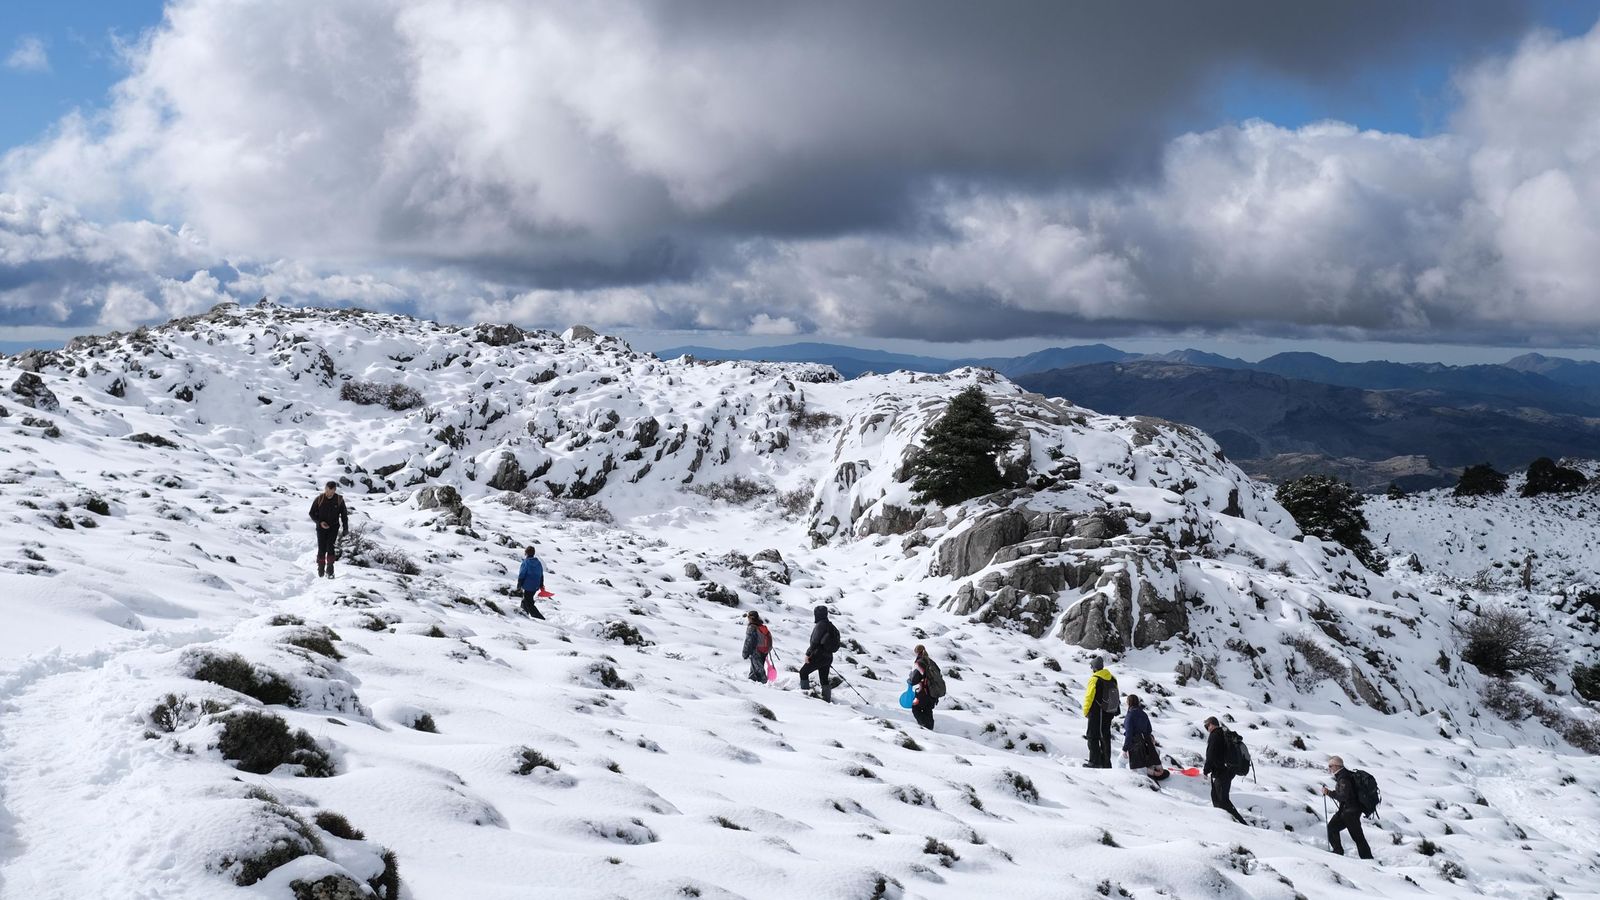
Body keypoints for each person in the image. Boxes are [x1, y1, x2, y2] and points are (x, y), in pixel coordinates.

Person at [1322, 756, 1374, 859]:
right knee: (1332, 828)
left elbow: (1343, 796)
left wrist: (1328, 792)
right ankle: (1338, 852)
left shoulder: (1343, 778)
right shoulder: (1346, 775)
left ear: (1337, 766)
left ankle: (1367, 859)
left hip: (1350, 812)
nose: (1329, 768)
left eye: (1330, 766)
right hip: (1348, 811)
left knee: (1357, 836)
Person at [1203, 716, 1248, 824]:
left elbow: (1211, 754)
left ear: (1212, 724)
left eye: (1207, 726)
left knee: (1221, 799)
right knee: (1217, 796)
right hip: (1228, 770)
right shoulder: (1224, 734)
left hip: (1222, 771)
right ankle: (1226, 821)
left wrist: (1206, 769)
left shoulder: (1215, 735)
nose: (1207, 729)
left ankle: (1239, 824)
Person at [1122, 695, 1169, 782]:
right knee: (1145, 762)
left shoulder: (1130, 715)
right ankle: (1154, 773)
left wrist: (1125, 749)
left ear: (1129, 703)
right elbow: (1149, 729)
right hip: (1146, 742)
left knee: (1123, 763)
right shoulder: (1143, 714)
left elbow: (1129, 733)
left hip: (1134, 743)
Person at [1082, 656, 1118, 768]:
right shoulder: (1112, 678)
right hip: (1108, 711)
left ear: (1094, 668)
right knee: (1105, 736)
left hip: (1096, 712)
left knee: (1092, 736)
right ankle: (1106, 762)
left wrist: (1086, 711)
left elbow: (1089, 696)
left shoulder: (1095, 679)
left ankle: (1094, 762)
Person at [798, 605, 839, 702]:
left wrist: (808, 654)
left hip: (818, 656)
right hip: (828, 657)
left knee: (803, 672)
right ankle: (827, 700)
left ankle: (805, 696)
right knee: (824, 678)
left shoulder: (820, 625)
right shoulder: (831, 626)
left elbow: (815, 642)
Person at [308, 481, 349, 579]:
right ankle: (321, 567)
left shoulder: (339, 500)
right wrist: (320, 522)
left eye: (330, 490)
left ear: (334, 490)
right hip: (321, 527)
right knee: (321, 548)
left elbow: (344, 515)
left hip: (333, 527)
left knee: (330, 546)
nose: (328, 492)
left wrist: (345, 528)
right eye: (326, 489)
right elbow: (311, 513)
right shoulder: (319, 499)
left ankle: (330, 570)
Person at [907, 645, 940, 730]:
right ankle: (930, 729)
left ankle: (924, 728)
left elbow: (914, 679)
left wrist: (909, 681)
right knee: (928, 711)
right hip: (934, 693)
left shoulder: (920, 662)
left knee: (915, 708)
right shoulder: (931, 662)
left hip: (924, 692)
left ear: (917, 652)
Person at [742, 611, 772, 683]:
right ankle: (751, 682)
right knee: (755, 669)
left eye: (748, 617)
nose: (748, 619)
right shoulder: (761, 626)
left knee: (759, 670)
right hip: (764, 651)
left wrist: (745, 653)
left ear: (751, 618)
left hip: (756, 651)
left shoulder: (752, 627)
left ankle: (765, 686)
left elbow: (748, 641)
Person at [516, 546, 545, 619]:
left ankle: (539, 618)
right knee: (526, 600)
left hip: (528, 586)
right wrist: (541, 585)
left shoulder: (526, 563)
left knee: (529, 603)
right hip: (535, 586)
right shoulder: (538, 563)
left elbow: (522, 575)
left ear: (526, 553)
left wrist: (519, 585)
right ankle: (523, 615)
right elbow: (541, 574)